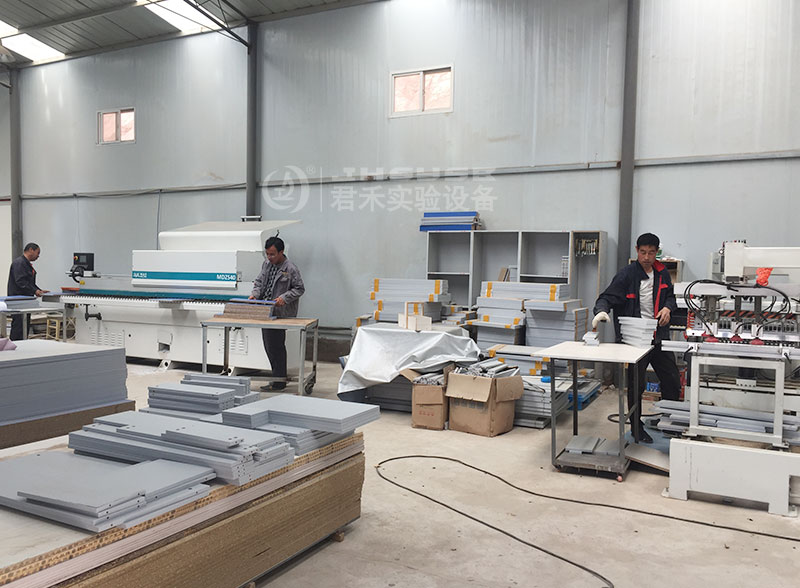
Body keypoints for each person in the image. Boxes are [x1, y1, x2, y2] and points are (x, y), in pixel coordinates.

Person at [592, 232, 680, 443]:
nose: (647, 257)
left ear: (657, 253)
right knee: (636, 384)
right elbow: (606, 297)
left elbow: (671, 297)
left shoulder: (662, 273)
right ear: (636, 251)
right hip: (635, 341)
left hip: (658, 336)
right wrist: (601, 311)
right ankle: (636, 428)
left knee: (672, 379)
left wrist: (668, 308)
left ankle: (670, 422)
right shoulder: (626, 275)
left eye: (651, 253)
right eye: (643, 252)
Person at [249, 236, 305, 391]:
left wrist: (284, 298)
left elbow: (299, 289)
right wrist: (255, 294)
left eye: (272, 254)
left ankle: (279, 381)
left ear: (281, 252)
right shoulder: (266, 264)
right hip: (264, 311)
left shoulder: (290, 268)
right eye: (267, 254)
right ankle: (277, 378)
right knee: (269, 346)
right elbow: (259, 282)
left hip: (280, 313)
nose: (270, 257)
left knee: (276, 346)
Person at [6, 242, 49, 340]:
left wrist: (38, 290)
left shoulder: (26, 264)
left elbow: (28, 282)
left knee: (24, 326)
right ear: (31, 250)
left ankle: (23, 344)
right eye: (38, 253)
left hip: (25, 301)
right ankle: (16, 345)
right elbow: (20, 281)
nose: (38, 256)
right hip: (18, 301)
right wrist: (35, 291)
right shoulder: (19, 263)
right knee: (19, 326)